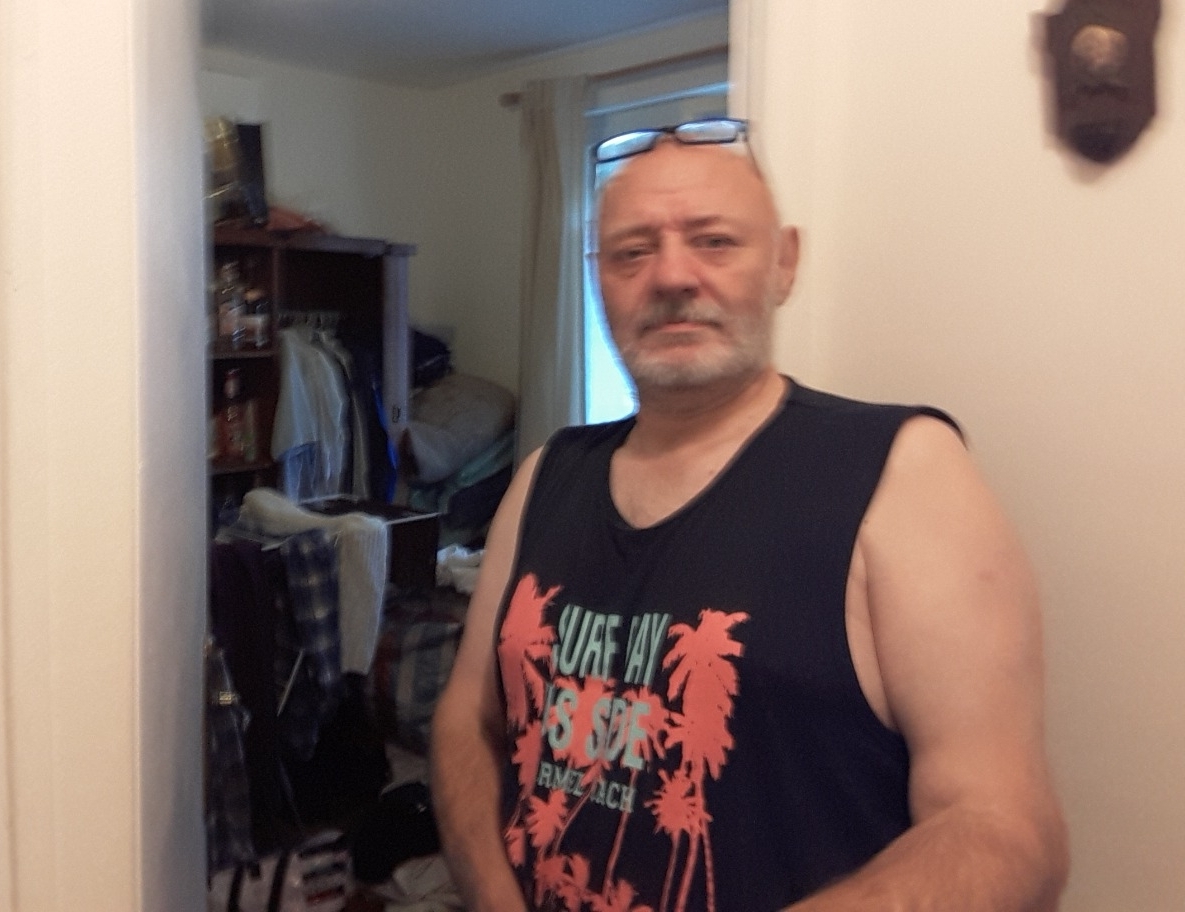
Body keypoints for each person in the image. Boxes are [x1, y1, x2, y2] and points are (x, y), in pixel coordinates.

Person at [430, 121, 1068, 912]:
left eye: (714, 241)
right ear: (597, 279)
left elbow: (1005, 831)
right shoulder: (543, 476)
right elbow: (468, 718)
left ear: (783, 263)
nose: (671, 276)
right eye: (631, 252)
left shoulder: (901, 472)